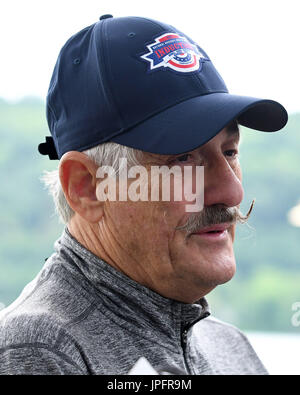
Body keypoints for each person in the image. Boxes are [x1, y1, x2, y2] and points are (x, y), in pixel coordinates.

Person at [0, 14, 288, 375]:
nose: (231, 191)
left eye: (230, 152)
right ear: (87, 188)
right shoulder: (39, 351)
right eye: (183, 158)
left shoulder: (229, 347)